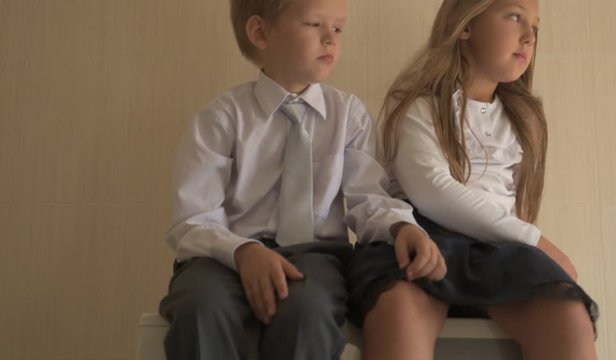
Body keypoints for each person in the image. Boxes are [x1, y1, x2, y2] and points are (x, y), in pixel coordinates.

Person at [158, 0, 437, 359]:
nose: (330, 40)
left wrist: (402, 226)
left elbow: (370, 197)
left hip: (316, 257)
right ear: (260, 33)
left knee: (309, 312)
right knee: (200, 306)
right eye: (314, 24)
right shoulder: (221, 118)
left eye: (337, 29)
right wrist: (243, 252)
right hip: (224, 256)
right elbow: (192, 219)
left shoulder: (349, 116)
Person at [346, 0, 599, 359]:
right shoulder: (418, 108)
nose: (529, 37)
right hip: (421, 240)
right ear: (465, 27)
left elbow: (506, 204)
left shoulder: (521, 121)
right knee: (398, 308)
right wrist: (537, 242)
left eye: (535, 27)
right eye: (514, 17)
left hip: (494, 250)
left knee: (569, 314)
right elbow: (433, 191)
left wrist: (528, 252)